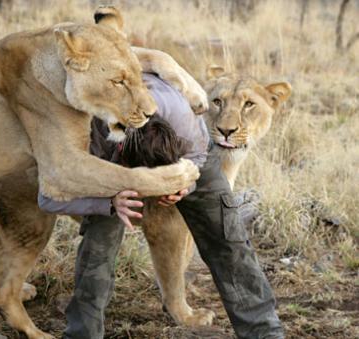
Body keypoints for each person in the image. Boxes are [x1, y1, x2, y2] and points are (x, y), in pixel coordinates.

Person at [38, 73, 284, 339]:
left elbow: (199, 155)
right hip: (110, 172)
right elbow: (48, 196)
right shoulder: (91, 139)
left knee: (227, 235)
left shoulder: (182, 118)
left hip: (190, 159)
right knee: (99, 243)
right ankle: (82, 334)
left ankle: (265, 332)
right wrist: (108, 201)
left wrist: (182, 186)